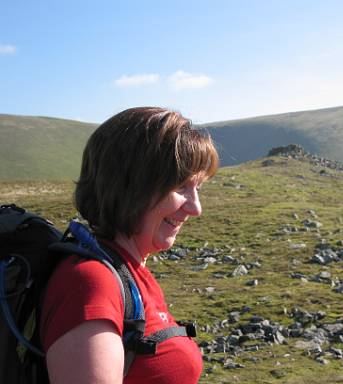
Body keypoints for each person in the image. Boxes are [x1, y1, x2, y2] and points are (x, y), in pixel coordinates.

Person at [40, 107, 218, 384]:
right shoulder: (92, 283)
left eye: (198, 188)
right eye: (182, 186)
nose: (196, 208)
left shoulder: (127, 269)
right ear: (132, 186)